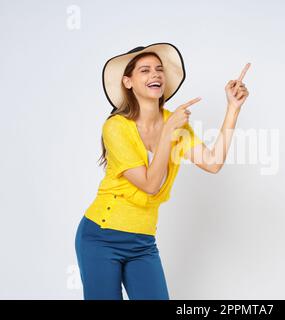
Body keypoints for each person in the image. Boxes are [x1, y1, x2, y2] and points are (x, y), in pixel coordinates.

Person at [75, 42, 250, 300]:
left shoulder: (175, 123)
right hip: (101, 238)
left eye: (159, 69)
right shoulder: (116, 127)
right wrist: (169, 130)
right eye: (144, 70)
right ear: (128, 82)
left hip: (143, 242)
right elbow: (149, 184)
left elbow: (213, 162)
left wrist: (233, 109)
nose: (155, 74)